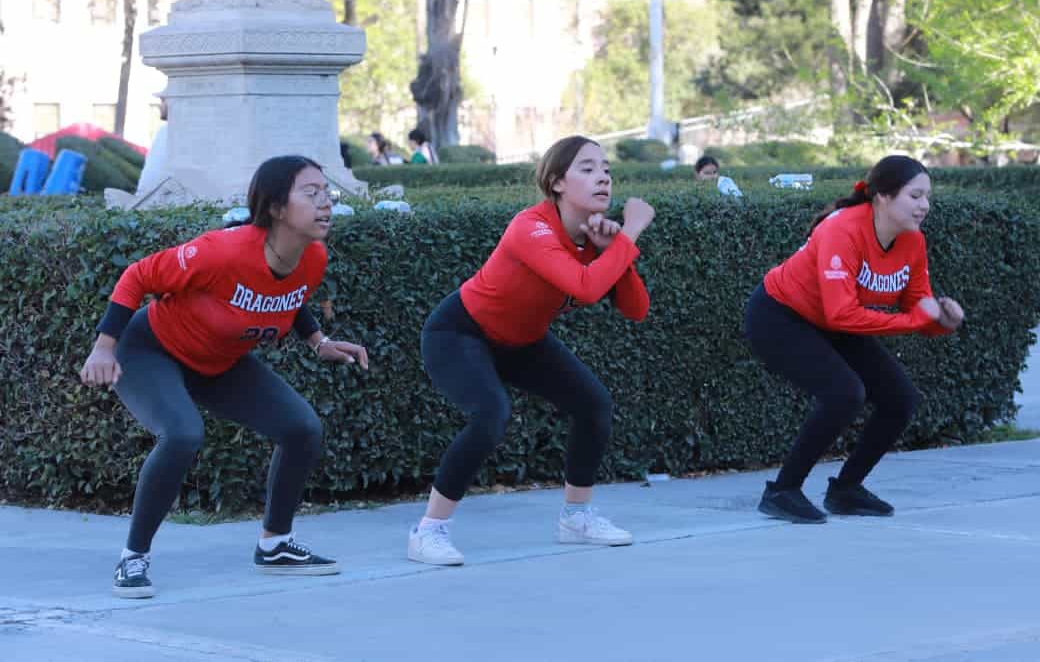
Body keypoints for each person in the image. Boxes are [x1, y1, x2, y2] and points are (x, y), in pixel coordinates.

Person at [79, 155, 370, 599]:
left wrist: (317, 341)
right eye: (310, 194)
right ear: (275, 207)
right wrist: (105, 347)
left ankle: (274, 545)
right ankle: (133, 557)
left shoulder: (312, 257)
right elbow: (137, 276)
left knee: (301, 427)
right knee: (181, 434)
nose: (324, 203)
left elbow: (288, 295)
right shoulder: (223, 250)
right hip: (151, 351)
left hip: (219, 362)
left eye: (325, 192)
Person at [409, 135, 655, 566]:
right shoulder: (532, 226)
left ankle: (576, 517)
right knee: (491, 414)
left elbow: (636, 309)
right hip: (461, 332)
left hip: (523, 340)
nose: (603, 177)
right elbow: (584, 286)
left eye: (607, 170)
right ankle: (428, 531)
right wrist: (629, 233)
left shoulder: (592, 238)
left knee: (593, 403)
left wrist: (612, 250)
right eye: (588, 168)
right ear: (557, 182)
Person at [743, 155, 964, 524]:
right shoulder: (841, 230)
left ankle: (846, 490)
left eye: (928, 196)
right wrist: (915, 319)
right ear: (883, 197)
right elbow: (841, 313)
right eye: (915, 195)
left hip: (834, 319)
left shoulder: (913, 242)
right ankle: (782, 491)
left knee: (900, 399)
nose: (924, 205)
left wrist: (943, 321)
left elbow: (917, 308)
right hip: (778, 315)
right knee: (844, 392)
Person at [137, 97, 168, 196]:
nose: (160, 106)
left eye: (163, 100)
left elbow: (154, 172)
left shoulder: (167, 131)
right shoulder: (164, 130)